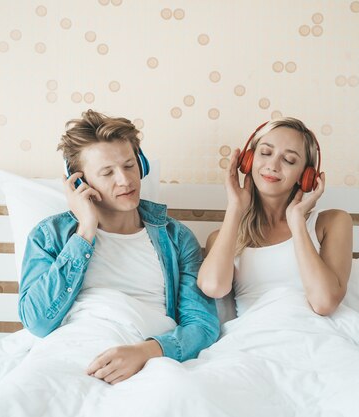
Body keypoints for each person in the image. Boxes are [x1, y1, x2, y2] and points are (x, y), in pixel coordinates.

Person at [18, 109, 220, 386]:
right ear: (80, 181)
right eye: (107, 172)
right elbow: (37, 322)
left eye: (129, 165)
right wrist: (85, 231)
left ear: (142, 164)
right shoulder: (49, 236)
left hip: (148, 357)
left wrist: (144, 352)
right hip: (73, 352)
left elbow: (202, 325)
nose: (125, 180)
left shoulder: (177, 238)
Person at [197, 117, 353, 317]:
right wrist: (235, 206)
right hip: (251, 339)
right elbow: (213, 286)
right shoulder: (224, 237)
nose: (273, 165)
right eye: (265, 153)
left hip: (317, 336)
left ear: (306, 176)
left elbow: (324, 303)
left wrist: (297, 222)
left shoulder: (333, 223)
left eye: (289, 160)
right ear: (248, 161)